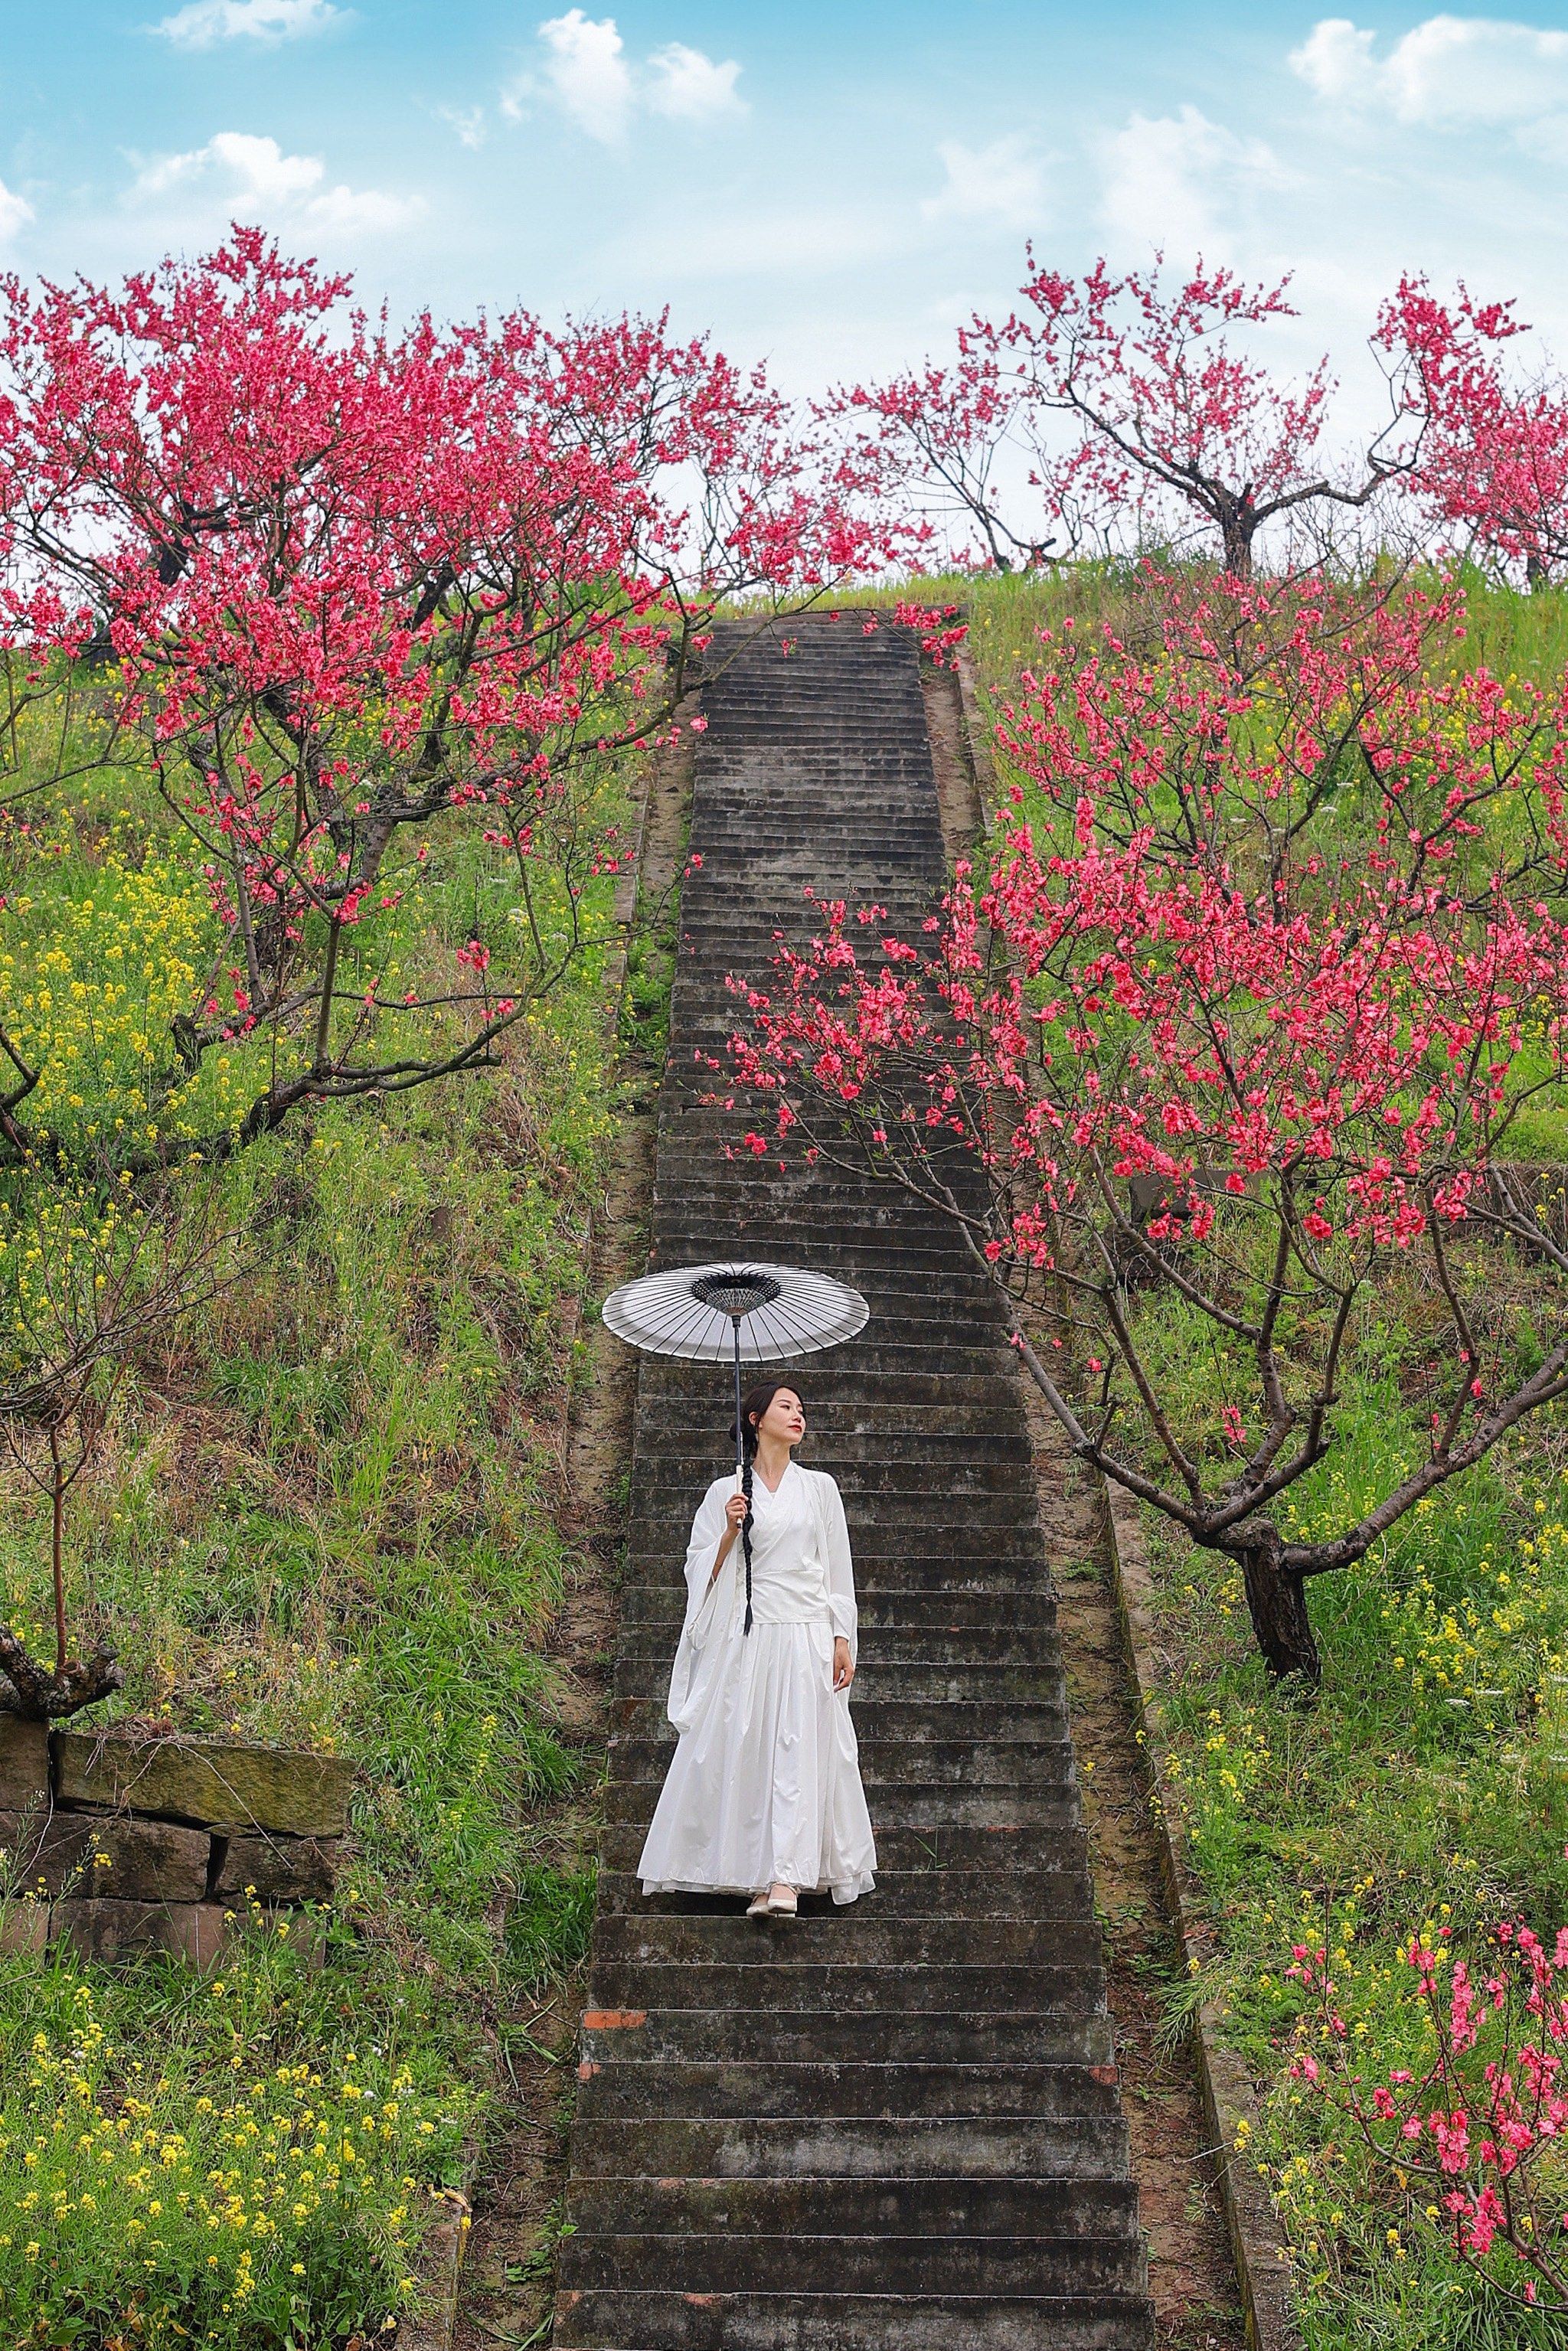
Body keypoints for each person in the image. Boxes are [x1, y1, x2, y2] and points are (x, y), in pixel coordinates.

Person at [635, 1381, 877, 1915]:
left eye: (802, 1409)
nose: (798, 1415)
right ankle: (760, 1876)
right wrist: (728, 1529)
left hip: (805, 1632)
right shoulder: (727, 1491)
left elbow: (838, 1568)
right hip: (750, 1632)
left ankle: (787, 1878)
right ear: (755, 1418)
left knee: (795, 1748)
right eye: (786, 1406)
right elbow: (702, 1571)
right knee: (752, 1747)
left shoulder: (821, 1488)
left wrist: (842, 1636)